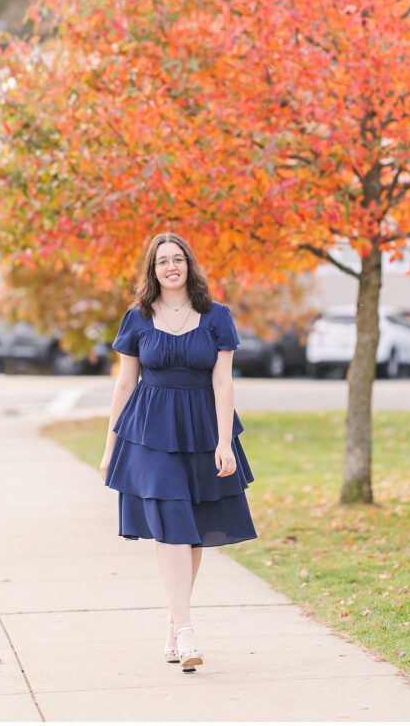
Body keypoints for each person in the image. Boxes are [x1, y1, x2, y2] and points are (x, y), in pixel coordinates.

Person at [99, 231, 257, 672]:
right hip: (151, 430)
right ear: (152, 270)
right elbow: (125, 383)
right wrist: (111, 445)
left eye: (178, 259)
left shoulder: (216, 316)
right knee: (169, 518)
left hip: (202, 427)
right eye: (162, 261)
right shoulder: (137, 317)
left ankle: (174, 621)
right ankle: (187, 633)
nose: (171, 267)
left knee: (192, 527)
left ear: (189, 265)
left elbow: (223, 381)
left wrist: (224, 442)